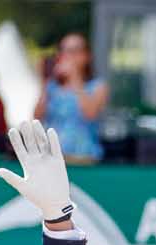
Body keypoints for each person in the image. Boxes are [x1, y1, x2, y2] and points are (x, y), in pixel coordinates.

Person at [36, 31, 107, 162]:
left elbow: (90, 114)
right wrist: (44, 81)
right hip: (51, 157)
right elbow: (37, 117)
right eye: (64, 50)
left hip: (83, 157)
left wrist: (75, 77)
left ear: (86, 55)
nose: (69, 55)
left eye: (75, 50)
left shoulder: (97, 86)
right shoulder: (52, 86)